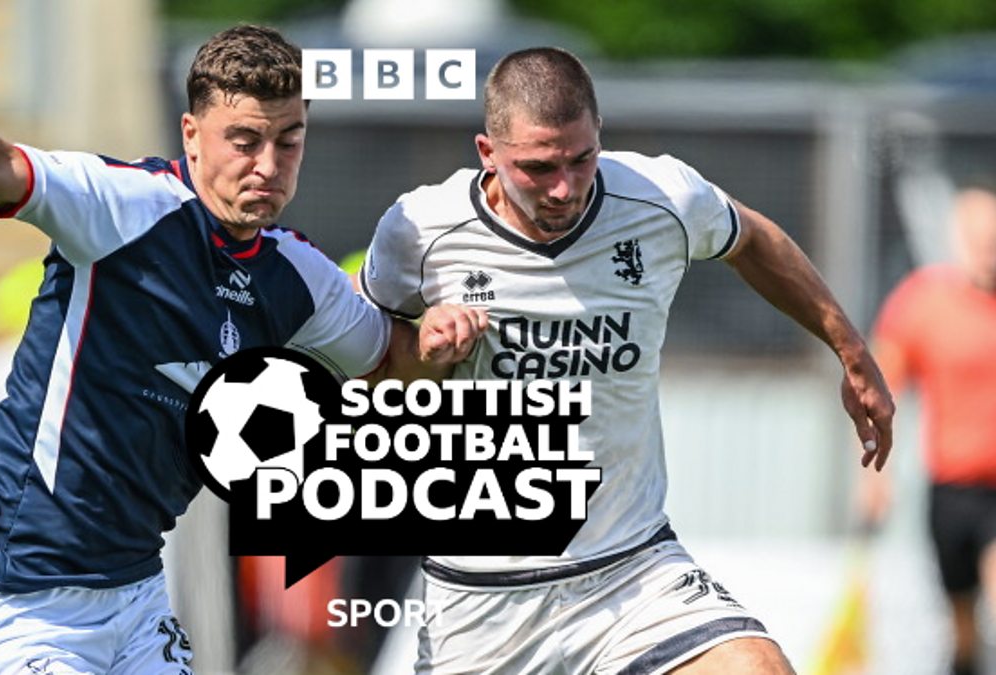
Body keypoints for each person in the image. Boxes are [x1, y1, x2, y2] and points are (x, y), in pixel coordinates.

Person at [0, 25, 479, 675]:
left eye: (288, 141)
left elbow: (388, 363)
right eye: (244, 140)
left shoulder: (297, 275)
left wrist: (438, 339)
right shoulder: (122, 206)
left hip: (133, 590)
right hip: (14, 591)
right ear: (191, 134)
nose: (268, 166)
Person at [361, 47, 894, 674]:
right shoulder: (419, 231)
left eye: (581, 159)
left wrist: (851, 351)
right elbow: (369, 375)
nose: (564, 188)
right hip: (482, 598)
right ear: (488, 152)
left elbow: (751, 238)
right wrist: (426, 350)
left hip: (632, 569)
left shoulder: (660, 197)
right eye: (538, 168)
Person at [862, 182, 996, 675]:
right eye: (977, 236)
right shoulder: (924, 302)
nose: (987, 247)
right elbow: (879, 389)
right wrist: (874, 474)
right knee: (963, 632)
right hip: (952, 491)